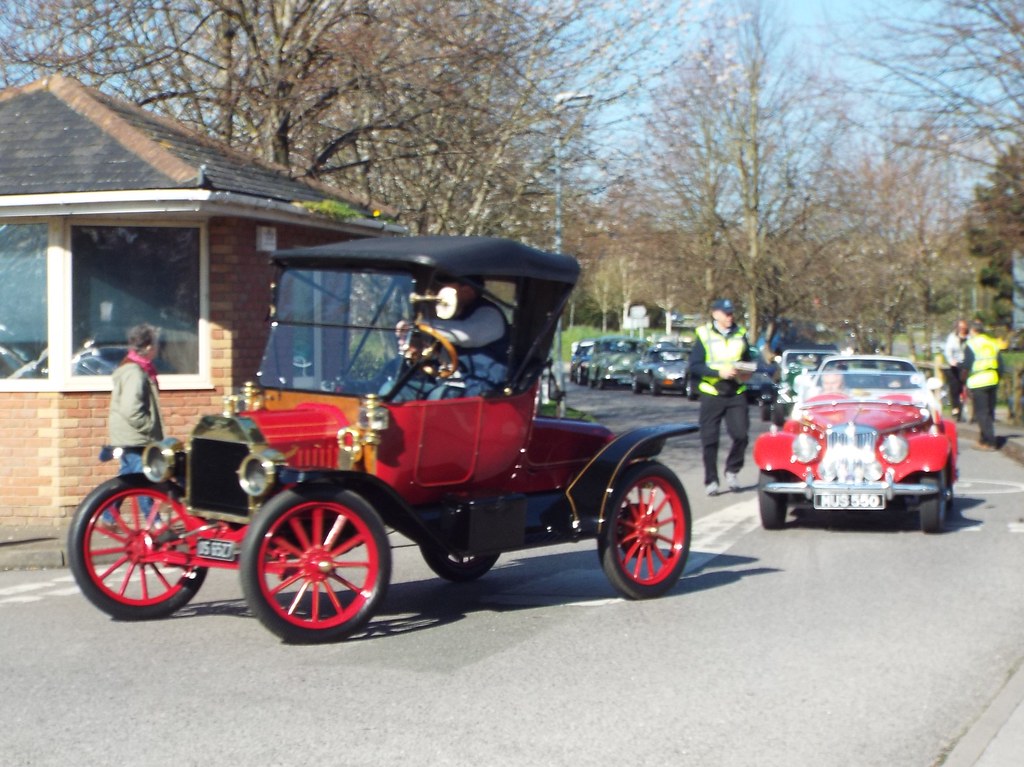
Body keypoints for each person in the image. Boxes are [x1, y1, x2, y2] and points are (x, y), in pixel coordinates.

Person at [396, 278, 509, 399]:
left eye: (444, 285)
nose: (438, 291)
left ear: (467, 291)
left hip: (478, 387)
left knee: (437, 398)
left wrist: (418, 325)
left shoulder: (489, 314)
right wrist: (415, 347)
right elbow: (441, 349)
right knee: (393, 390)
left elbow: (466, 335)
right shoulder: (447, 315)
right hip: (442, 382)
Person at [688, 298, 755, 495]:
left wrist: (746, 371)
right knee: (710, 439)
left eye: (732, 313)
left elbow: (748, 360)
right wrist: (718, 373)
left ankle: (732, 470)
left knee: (741, 435)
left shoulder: (741, 333)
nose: (730, 317)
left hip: (736, 392)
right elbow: (695, 366)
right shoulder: (703, 334)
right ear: (715, 314)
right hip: (712, 392)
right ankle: (711, 481)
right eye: (726, 314)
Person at [106, 323, 165, 527]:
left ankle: (108, 514)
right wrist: (149, 427)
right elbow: (132, 409)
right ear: (148, 347)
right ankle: (155, 522)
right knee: (142, 480)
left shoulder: (135, 367)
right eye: (156, 344)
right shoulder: (135, 373)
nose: (159, 348)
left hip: (128, 434)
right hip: (135, 435)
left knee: (128, 476)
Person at [962, 319, 1004, 451]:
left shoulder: (972, 344)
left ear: (973, 330)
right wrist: (998, 378)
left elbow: (967, 365)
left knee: (981, 413)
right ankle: (983, 439)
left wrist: (963, 380)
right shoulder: (993, 343)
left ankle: (990, 442)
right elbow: (1001, 364)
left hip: (978, 381)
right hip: (993, 379)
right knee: (989, 412)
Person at [943, 319, 969, 421]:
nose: (962, 329)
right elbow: (948, 350)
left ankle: (964, 410)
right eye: (960, 327)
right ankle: (956, 409)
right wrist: (951, 360)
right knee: (955, 388)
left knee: (966, 389)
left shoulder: (969, 337)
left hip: (966, 365)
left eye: (964, 327)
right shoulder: (952, 337)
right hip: (955, 365)